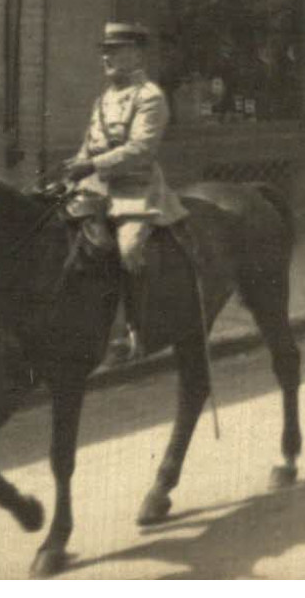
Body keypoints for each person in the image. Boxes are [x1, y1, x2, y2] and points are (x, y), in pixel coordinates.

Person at [62, 22, 190, 360]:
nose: (106, 56)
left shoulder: (151, 97)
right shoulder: (104, 97)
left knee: (130, 249)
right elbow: (88, 145)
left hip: (136, 189)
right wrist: (74, 168)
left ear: (136, 54)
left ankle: (136, 331)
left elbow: (141, 149)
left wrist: (91, 165)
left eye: (115, 50)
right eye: (105, 50)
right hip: (95, 187)